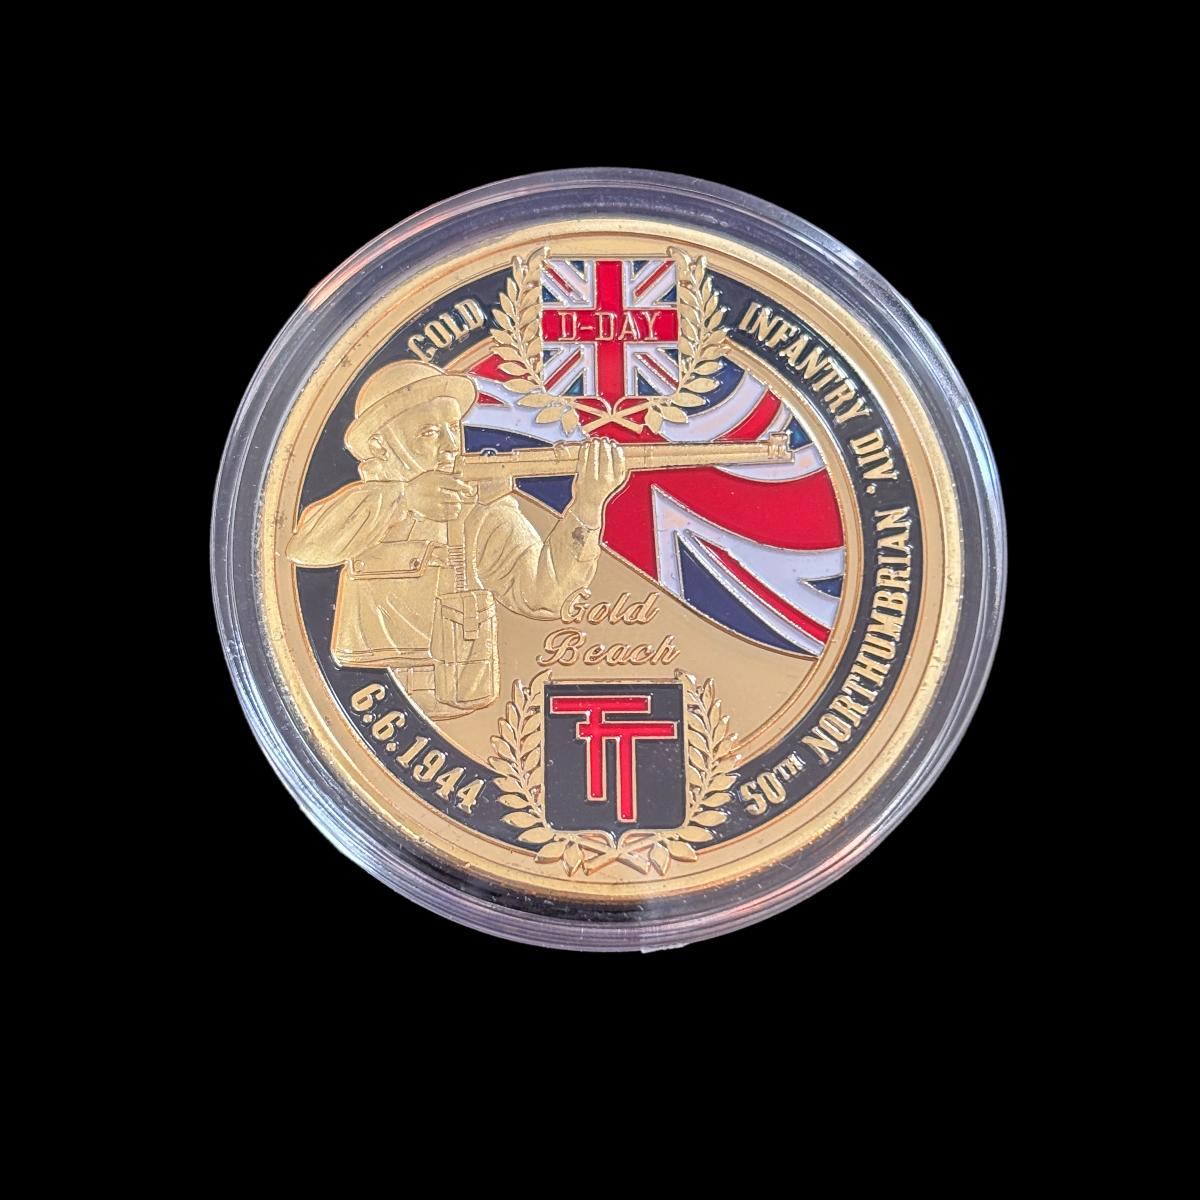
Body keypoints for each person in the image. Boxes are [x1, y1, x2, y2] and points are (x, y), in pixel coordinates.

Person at [287, 360, 627, 717]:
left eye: (453, 428)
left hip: (451, 697)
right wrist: (404, 498)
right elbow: (304, 547)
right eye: (429, 432)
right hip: (359, 698)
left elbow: (545, 596)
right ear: (381, 444)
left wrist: (587, 506)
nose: (451, 445)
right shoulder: (359, 505)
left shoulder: (479, 507)